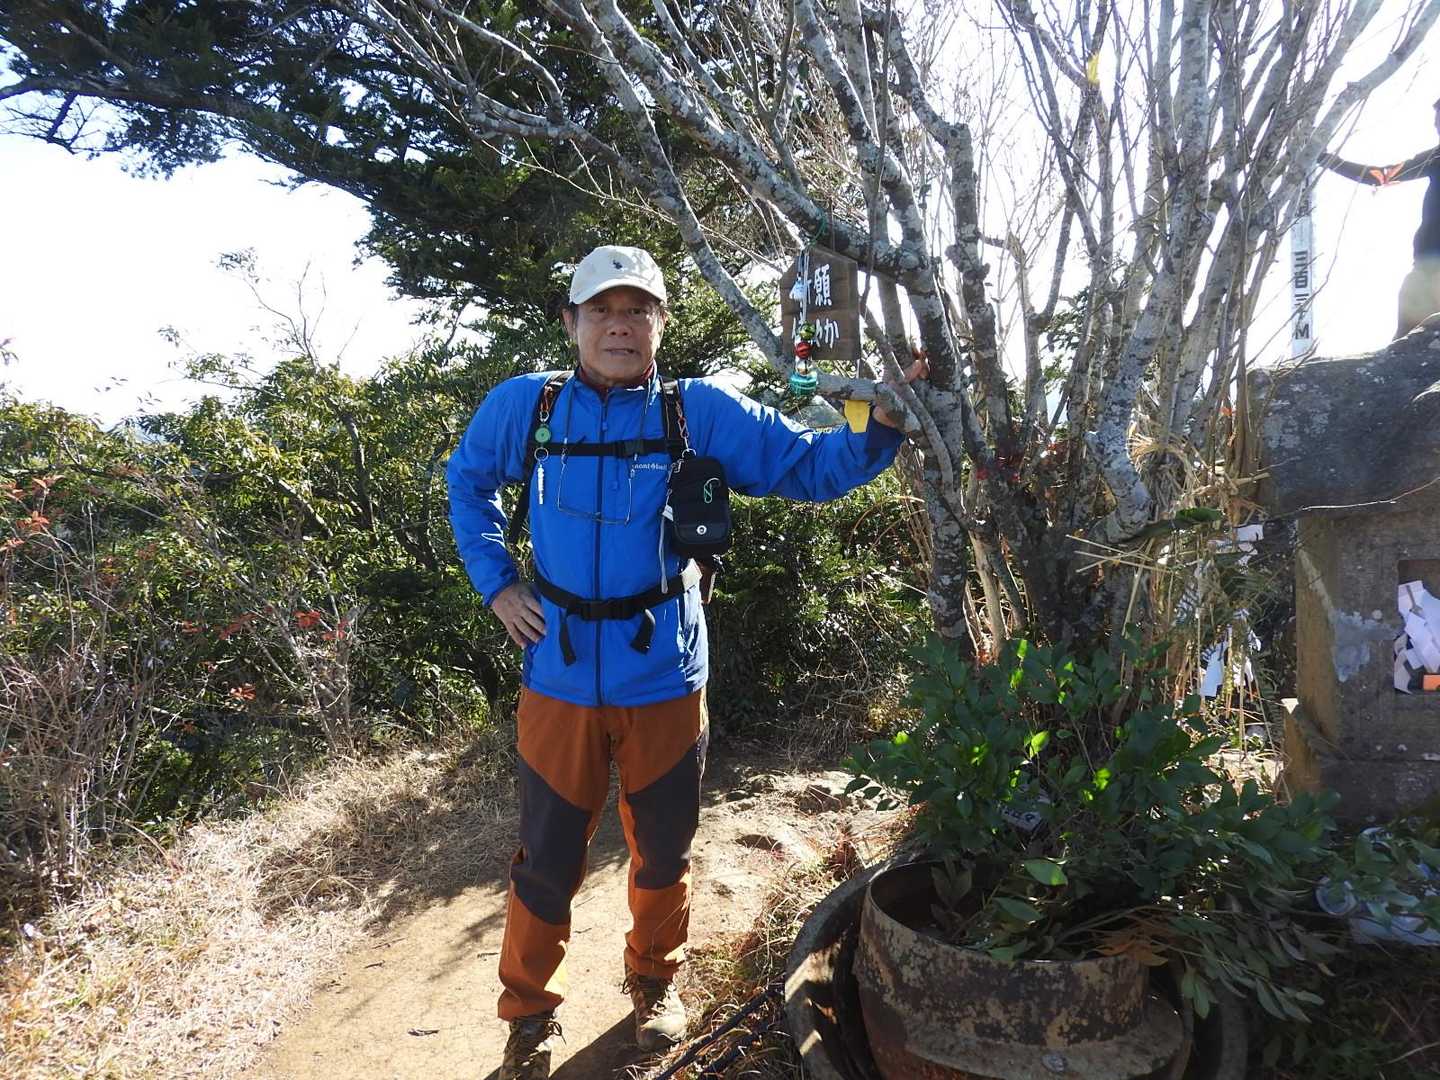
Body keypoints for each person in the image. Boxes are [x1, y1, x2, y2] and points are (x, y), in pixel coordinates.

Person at [446, 244, 918, 1079]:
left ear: (660, 323)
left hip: (664, 672)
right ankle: (528, 1016)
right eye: (602, 310)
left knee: (663, 851)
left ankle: (654, 986)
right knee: (545, 859)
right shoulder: (528, 404)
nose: (619, 326)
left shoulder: (697, 409)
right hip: (557, 676)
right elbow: (468, 482)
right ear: (571, 322)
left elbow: (809, 467)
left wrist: (878, 422)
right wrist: (498, 584)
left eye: (637, 310)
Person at [1319, 98, 1440, 338]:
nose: (1436, 126)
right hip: (1425, 265)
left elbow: (1381, 176)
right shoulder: (1434, 158)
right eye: (1436, 121)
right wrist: (1325, 159)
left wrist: (1325, 159)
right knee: (1405, 339)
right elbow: (1381, 176)